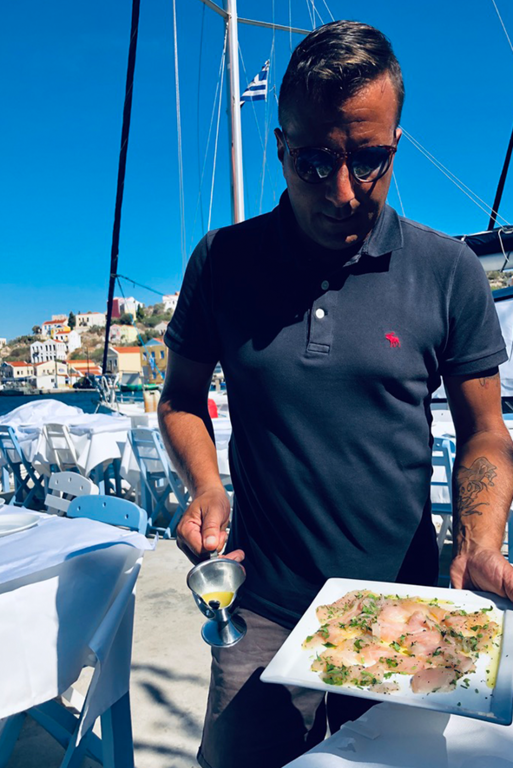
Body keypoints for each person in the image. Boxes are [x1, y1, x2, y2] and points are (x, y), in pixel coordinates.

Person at [158, 20, 513, 768]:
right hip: (260, 606)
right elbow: (180, 398)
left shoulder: (449, 271)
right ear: (280, 148)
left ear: (395, 144)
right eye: (315, 161)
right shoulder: (222, 261)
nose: (343, 191)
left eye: (369, 159)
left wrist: (478, 542)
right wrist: (205, 487)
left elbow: (484, 430)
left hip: (405, 608)